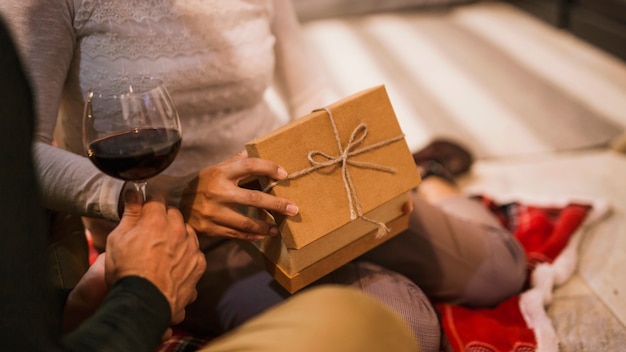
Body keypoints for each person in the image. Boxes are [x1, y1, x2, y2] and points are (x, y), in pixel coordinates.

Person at [0, 1, 527, 350]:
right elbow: (16, 157)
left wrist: (372, 184)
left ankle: (432, 175)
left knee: (503, 269)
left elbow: (311, 96)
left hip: (295, 186)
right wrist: (157, 198)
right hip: (177, 232)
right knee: (404, 322)